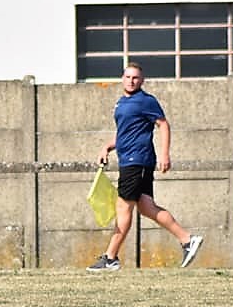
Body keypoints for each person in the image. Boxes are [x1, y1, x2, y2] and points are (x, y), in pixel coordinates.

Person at [87, 62, 203, 272]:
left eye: (135, 78)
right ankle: (188, 240)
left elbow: (163, 124)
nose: (131, 81)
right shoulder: (121, 103)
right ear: (122, 78)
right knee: (147, 208)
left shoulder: (146, 101)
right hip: (129, 160)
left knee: (123, 208)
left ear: (142, 80)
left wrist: (165, 154)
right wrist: (107, 146)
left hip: (137, 161)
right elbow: (126, 132)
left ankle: (110, 257)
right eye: (128, 77)